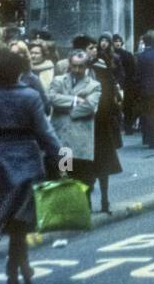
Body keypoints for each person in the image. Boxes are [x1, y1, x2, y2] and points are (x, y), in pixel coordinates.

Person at [0, 49, 62, 284]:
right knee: (22, 217)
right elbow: (46, 133)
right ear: (18, 72)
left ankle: (19, 266)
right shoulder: (30, 96)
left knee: (9, 215)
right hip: (27, 155)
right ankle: (16, 266)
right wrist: (63, 162)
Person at [48, 48, 102, 196]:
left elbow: (90, 106)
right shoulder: (58, 81)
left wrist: (68, 111)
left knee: (83, 183)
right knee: (63, 178)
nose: (77, 69)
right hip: (63, 143)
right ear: (69, 65)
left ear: (87, 66)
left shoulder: (94, 85)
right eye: (74, 66)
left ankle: (83, 213)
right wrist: (75, 100)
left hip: (81, 144)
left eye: (81, 66)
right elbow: (52, 98)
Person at [91, 43, 123, 212]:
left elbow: (109, 103)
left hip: (99, 126)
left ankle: (103, 200)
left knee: (101, 165)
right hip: (75, 131)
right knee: (67, 167)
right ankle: (78, 203)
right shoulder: (63, 76)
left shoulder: (103, 73)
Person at [112, 33, 138, 134]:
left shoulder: (127, 55)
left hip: (127, 84)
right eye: (115, 41)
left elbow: (133, 70)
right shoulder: (110, 55)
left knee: (128, 106)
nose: (117, 43)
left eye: (119, 41)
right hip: (116, 83)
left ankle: (128, 127)